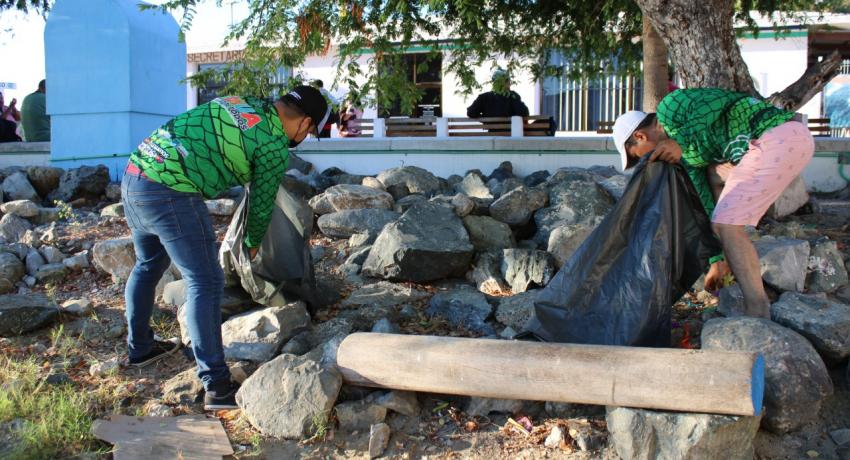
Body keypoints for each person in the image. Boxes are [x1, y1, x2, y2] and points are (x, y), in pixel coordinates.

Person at [122, 86, 329, 410]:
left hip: (135, 175)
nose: (306, 136)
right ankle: (217, 386)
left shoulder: (243, 101)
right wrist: (249, 249)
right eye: (312, 131)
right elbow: (260, 209)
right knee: (205, 282)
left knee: (148, 265)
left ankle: (140, 349)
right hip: (171, 192)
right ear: (304, 123)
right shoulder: (274, 145)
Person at [613, 88, 814, 318]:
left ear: (640, 136)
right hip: (769, 148)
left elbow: (717, 102)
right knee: (714, 181)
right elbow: (706, 202)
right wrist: (716, 260)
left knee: (726, 225)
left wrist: (681, 142)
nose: (647, 160)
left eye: (639, 156)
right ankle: (732, 256)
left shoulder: (670, 106)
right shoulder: (688, 157)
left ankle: (757, 310)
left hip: (778, 137)